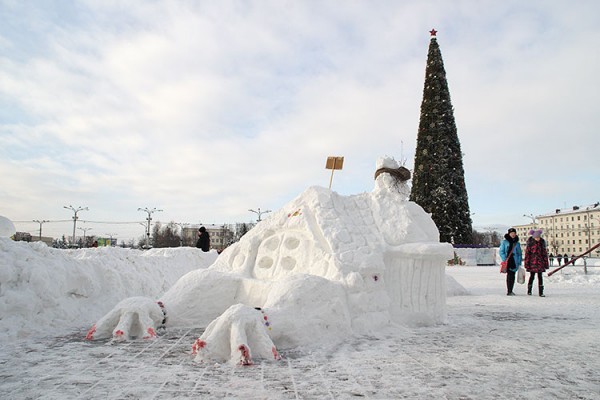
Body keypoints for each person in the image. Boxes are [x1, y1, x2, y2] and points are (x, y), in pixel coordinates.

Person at [524, 229, 549, 297]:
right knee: (532, 276)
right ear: (534, 237)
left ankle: (541, 292)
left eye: (539, 237)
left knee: (540, 277)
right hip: (532, 263)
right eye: (536, 237)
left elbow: (544, 254)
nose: (538, 238)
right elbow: (527, 254)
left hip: (540, 263)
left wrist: (546, 263)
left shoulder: (542, 244)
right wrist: (527, 263)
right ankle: (529, 290)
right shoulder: (530, 244)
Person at [499, 228, 522, 296]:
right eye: (511, 233)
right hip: (508, 261)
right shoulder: (504, 242)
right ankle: (509, 290)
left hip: (515, 261)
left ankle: (511, 289)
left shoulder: (517, 243)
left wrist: (519, 261)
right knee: (509, 275)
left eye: (514, 233)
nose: (513, 235)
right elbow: (501, 251)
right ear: (509, 234)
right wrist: (504, 259)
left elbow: (519, 253)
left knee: (513, 275)